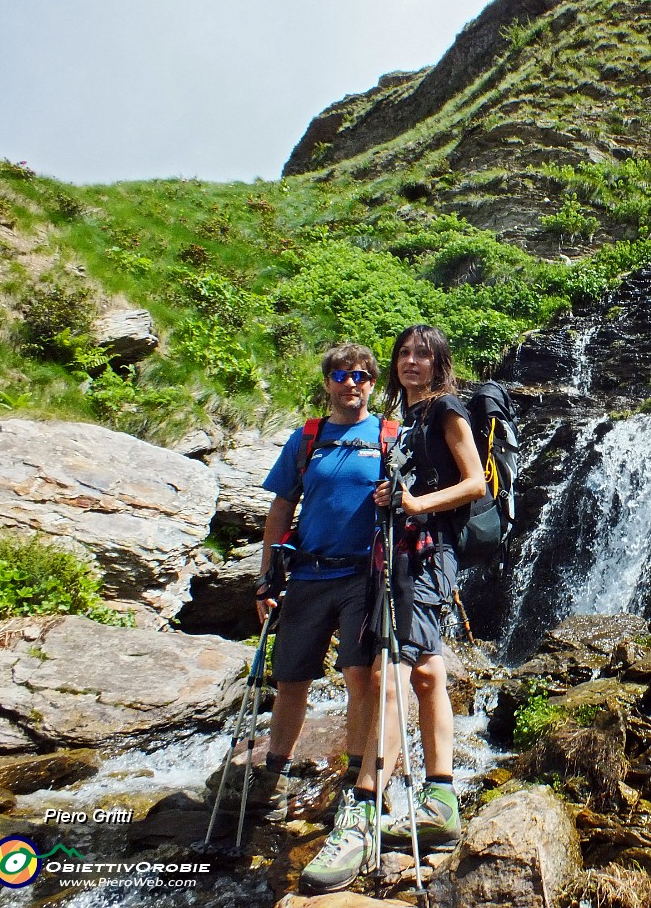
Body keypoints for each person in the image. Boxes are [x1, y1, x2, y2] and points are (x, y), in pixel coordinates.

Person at [302, 324, 485, 894]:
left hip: (427, 557)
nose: (412, 361)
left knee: (392, 670)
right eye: (404, 353)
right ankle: (442, 799)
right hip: (397, 554)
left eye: (422, 354)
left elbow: (475, 482)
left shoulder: (446, 409)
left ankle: (360, 812)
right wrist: (391, 497)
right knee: (429, 673)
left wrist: (415, 503)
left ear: (438, 363)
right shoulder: (400, 423)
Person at [212, 343, 386, 820]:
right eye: (341, 374)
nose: (352, 383)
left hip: (362, 578)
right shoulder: (305, 440)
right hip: (307, 573)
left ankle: (356, 776)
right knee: (291, 678)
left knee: (359, 677)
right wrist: (266, 579)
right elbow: (281, 509)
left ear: (373, 383)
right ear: (327, 382)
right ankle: (276, 771)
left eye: (361, 375)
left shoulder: (389, 438)